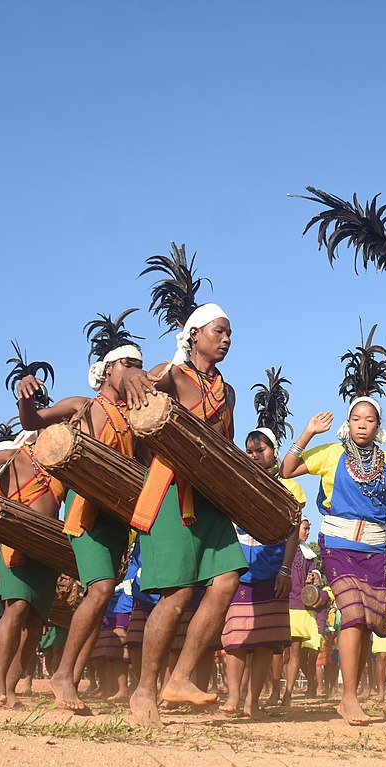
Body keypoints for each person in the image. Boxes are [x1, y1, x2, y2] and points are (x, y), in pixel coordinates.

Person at [120, 247, 247, 727]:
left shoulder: (227, 390)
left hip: (213, 499)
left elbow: (226, 443)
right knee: (174, 597)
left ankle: (180, 677)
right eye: (220, 331)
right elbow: (140, 378)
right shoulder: (172, 376)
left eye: (231, 332)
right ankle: (144, 691)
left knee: (228, 579)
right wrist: (133, 372)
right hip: (171, 492)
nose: (228, 339)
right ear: (194, 336)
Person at [280, 329, 386, 725]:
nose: (362, 424)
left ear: (378, 425)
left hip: (375, 549)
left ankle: (351, 694)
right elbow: (287, 469)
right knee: (353, 614)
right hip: (338, 543)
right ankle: (350, 698)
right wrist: (307, 432)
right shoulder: (329, 453)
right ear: (348, 422)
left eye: (369, 419)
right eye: (356, 418)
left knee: (370, 621)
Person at [13, 311, 143, 712]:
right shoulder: (82, 406)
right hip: (86, 514)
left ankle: (69, 672)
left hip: (119, 519)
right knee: (102, 588)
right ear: (107, 370)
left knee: (99, 596)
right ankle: (62, 674)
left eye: (139, 364)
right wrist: (26, 397)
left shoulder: (139, 415)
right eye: (128, 364)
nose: (136, 370)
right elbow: (34, 421)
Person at [221, 371, 307, 718]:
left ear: (275, 452)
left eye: (261, 450)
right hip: (240, 569)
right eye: (250, 450)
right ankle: (232, 699)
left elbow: (291, 533)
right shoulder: (236, 484)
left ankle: (252, 702)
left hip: (273, 571)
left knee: (263, 642)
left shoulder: (289, 490)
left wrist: (286, 569)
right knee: (237, 640)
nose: (254, 454)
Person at [0, 423, 64, 707]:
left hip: (47, 548)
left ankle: (9, 688)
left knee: (35, 624)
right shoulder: (13, 455)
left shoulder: (61, 464)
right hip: (16, 543)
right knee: (17, 608)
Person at [282, 519, 318, 705]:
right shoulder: (280, 547)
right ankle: (273, 691)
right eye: (305, 528)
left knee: (295, 652)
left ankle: (287, 693)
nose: (308, 532)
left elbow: (313, 575)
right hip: (281, 603)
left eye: (309, 528)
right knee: (280, 653)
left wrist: (312, 578)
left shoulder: (308, 555)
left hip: (299, 606)